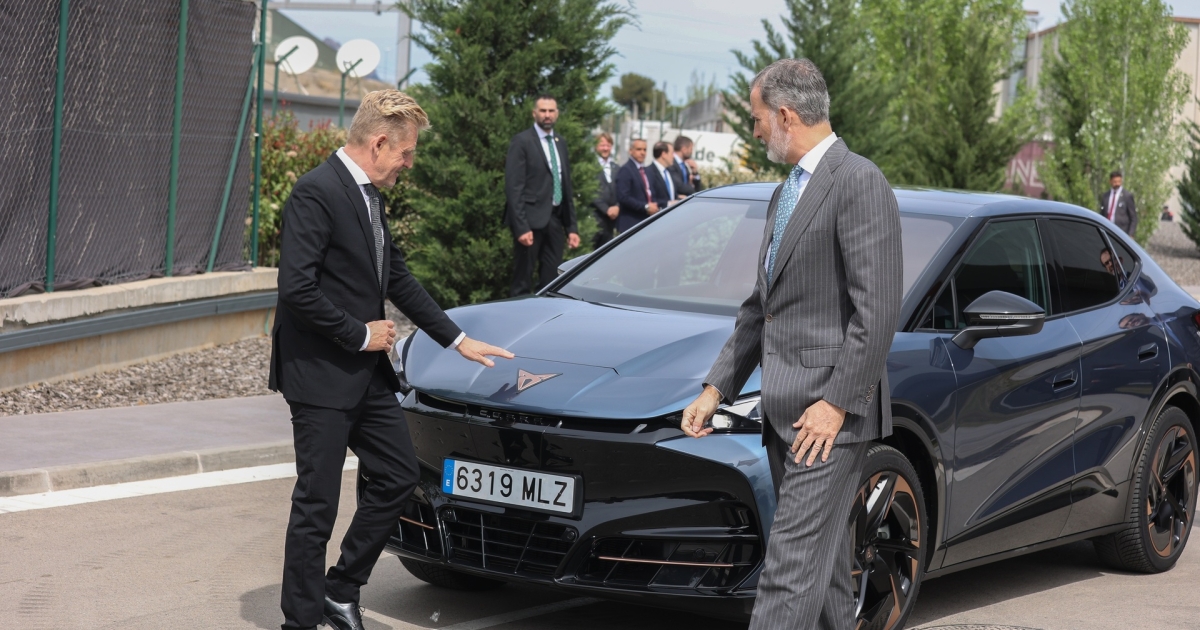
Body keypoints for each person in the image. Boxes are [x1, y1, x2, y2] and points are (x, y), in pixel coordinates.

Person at [269, 89, 514, 630]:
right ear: (379, 143)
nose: (409, 163)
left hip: (366, 376)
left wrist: (457, 339)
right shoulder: (316, 192)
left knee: (400, 477)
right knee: (317, 505)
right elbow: (296, 290)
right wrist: (360, 334)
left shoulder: (370, 195)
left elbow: (395, 277)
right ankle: (300, 620)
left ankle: (340, 590)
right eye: (406, 153)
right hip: (320, 375)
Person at [679, 58, 902, 630]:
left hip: (828, 418)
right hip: (784, 415)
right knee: (823, 573)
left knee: (788, 569)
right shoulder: (786, 193)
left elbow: (877, 312)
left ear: (785, 115)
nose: (754, 132)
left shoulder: (858, 181)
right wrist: (715, 388)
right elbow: (763, 306)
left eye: (756, 119)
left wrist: (835, 404)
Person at [504, 94, 581, 296]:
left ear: (557, 113)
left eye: (551, 111)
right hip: (530, 223)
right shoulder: (522, 141)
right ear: (534, 113)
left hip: (555, 220)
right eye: (543, 110)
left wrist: (571, 227)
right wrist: (521, 227)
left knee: (552, 280)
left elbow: (566, 186)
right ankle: (519, 314)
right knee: (522, 280)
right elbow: (514, 187)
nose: (547, 115)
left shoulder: (560, 142)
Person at [614, 138, 658, 233]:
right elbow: (623, 197)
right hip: (631, 222)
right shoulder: (626, 170)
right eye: (639, 149)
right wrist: (645, 207)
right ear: (631, 151)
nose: (642, 153)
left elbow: (651, 192)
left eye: (645, 150)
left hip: (647, 220)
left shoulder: (647, 171)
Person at [591, 132, 620, 249]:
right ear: (596, 146)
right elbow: (591, 192)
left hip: (612, 221)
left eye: (608, 145)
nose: (605, 148)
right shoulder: (591, 166)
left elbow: (622, 190)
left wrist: (617, 207)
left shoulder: (616, 167)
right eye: (602, 145)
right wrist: (606, 209)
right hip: (595, 218)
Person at [1100, 170, 1137, 236]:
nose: (1117, 184)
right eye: (1115, 182)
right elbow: (1102, 214)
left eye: (1119, 181)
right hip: (1107, 231)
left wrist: (1130, 234)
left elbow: (1133, 217)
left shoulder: (1127, 196)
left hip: (1122, 233)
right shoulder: (1105, 196)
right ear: (1110, 181)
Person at [651, 141, 686, 208]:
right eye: (672, 153)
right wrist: (668, 204)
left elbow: (670, 195)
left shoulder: (669, 172)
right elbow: (649, 198)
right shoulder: (649, 172)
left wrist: (679, 198)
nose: (673, 157)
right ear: (664, 154)